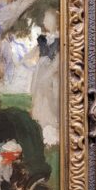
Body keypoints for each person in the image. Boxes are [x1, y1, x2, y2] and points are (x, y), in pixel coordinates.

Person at [28, 8, 60, 146]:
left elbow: (58, 61)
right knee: (39, 98)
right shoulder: (42, 39)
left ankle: (52, 131)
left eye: (48, 19)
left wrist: (50, 72)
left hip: (51, 75)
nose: (45, 21)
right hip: (40, 71)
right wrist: (21, 60)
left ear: (56, 22)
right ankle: (39, 127)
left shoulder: (60, 40)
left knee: (51, 98)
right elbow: (33, 52)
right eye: (45, 19)